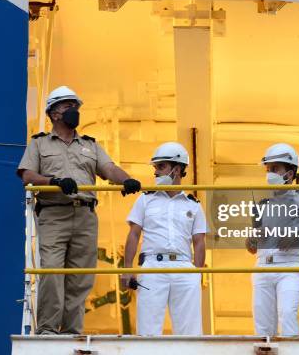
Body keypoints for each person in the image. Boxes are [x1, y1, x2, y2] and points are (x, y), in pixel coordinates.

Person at [17, 85, 141, 335]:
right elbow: (27, 175)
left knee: (80, 277)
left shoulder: (90, 146)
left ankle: (72, 330)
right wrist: (54, 182)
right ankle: (48, 329)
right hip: (54, 214)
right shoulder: (39, 144)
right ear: (54, 113)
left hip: (85, 216)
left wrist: (126, 179)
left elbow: (109, 169)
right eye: (67, 106)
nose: (74, 111)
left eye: (75, 106)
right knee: (52, 270)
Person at [121, 142, 207, 335]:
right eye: (156, 168)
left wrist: (197, 273)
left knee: (190, 332)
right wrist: (127, 269)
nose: (156, 172)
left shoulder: (193, 205)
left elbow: (199, 241)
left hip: (184, 267)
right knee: (147, 331)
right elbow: (134, 234)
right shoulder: (145, 199)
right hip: (152, 266)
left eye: (161, 167)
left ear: (177, 169)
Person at [248, 143, 299, 336]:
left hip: (290, 267)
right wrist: (254, 239)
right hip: (263, 267)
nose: (269, 174)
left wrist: (297, 237)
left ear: (289, 173)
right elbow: (250, 246)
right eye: (268, 169)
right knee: (262, 326)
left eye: (275, 169)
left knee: (288, 315)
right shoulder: (262, 204)